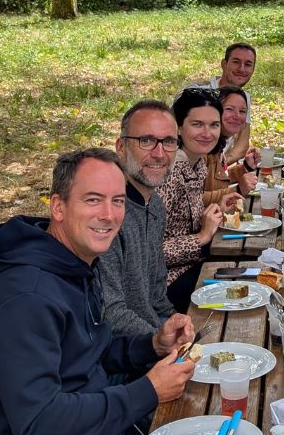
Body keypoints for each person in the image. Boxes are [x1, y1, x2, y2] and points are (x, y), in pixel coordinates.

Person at [0, 148, 197, 435]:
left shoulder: (73, 264)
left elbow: (94, 351)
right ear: (58, 206)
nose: (108, 215)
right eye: (93, 200)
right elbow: (38, 423)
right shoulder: (26, 298)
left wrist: (152, 345)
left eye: (117, 201)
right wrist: (148, 390)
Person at [99, 100, 179, 337]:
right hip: (116, 355)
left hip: (151, 335)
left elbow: (156, 295)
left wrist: (178, 323)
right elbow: (110, 313)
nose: (159, 154)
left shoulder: (155, 205)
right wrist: (159, 342)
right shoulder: (107, 216)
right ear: (121, 147)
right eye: (146, 141)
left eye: (169, 142)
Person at [163, 87, 240, 311]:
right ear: (178, 127)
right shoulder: (169, 171)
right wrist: (203, 236)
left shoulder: (195, 162)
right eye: (197, 124)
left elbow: (180, 218)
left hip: (194, 266)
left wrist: (215, 207)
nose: (207, 133)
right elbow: (148, 252)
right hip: (168, 282)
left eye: (214, 125)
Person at [203, 86, 259, 205]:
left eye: (242, 111)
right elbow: (192, 198)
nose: (237, 116)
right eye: (229, 109)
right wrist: (237, 190)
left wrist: (245, 167)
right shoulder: (202, 146)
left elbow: (217, 177)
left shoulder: (219, 143)